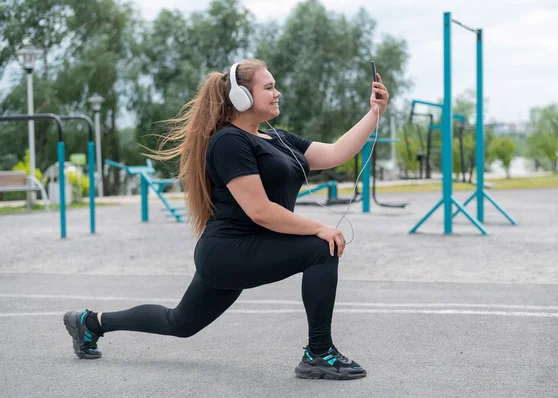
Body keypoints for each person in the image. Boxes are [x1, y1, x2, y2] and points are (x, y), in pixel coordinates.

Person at [63, 59, 389, 380]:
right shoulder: (229, 142)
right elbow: (259, 210)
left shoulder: (280, 140)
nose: (278, 93)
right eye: (269, 87)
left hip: (244, 249)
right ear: (241, 97)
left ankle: (89, 323)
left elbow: (336, 153)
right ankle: (319, 353)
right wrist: (319, 227)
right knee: (321, 247)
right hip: (228, 251)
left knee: (180, 323)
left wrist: (374, 112)